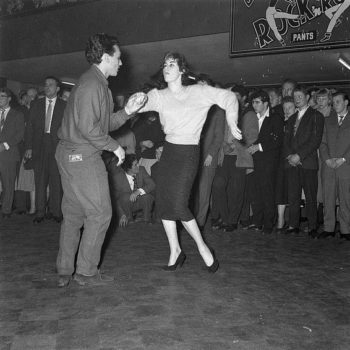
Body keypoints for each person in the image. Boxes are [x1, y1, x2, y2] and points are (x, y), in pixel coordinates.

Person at [55, 33, 147, 288]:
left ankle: (65, 269)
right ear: (106, 57)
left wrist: (128, 111)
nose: (121, 63)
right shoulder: (92, 85)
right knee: (101, 212)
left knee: (74, 214)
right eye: (118, 58)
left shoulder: (95, 83)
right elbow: (89, 128)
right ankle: (85, 272)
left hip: (71, 153)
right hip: (82, 156)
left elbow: (102, 124)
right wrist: (115, 147)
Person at [139, 52, 240, 272]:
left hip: (188, 153)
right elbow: (137, 105)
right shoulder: (159, 95)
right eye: (164, 63)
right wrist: (132, 104)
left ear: (182, 70)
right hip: (168, 152)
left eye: (172, 64)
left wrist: (232, 121)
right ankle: (175, 251)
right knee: (165, 203)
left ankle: (203, 248)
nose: (166, 67)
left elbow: (229, 98)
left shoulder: (198, 92)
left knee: (178, 204)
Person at [284, 86, 324, 237]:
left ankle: (312, 226)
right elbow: (286, 140)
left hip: (307, 162)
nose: (297, 99)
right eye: (295, 97)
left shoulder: (316, 115)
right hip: (291, 163)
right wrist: (290, 156)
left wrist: (299, 156)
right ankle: (293, 225)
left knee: (310, 196)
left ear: (307, 98)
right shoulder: (292, 118)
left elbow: (315, 140)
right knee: (293, 196)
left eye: (300, 96)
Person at [25, 76, 66, 223]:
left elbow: (68, 129)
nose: (47, 87)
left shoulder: (64, 106)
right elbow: (29, 127)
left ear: (58, 89)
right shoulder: (36, 104)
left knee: (56, 180)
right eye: (46, 85)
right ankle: (40, 212)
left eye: (51, 84)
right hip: (38, 147)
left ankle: (56, 212)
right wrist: (28, 147)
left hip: (57, 147)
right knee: (40, 181)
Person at [319, 92, 350, 240]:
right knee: (328, 198)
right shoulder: (327, 120)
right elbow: (322, 142)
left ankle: (346, 230)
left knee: (346, 199)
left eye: (338, 101)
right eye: (334, 102)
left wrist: (344, 159)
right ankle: (328, 228)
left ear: (346, 102)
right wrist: (327, 160)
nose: (335, 104)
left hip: (346, 166)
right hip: (329, 166)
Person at [109, 153, 155, 227]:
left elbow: (152, 184)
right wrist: (122, 214)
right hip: (127, 205)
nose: (138, 166)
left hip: (141, 201)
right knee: (124, 197)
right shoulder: (118, 177)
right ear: (128, 168)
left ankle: (147, 219)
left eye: (138, 163)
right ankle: (129, 218)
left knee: (148, 197)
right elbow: (115, 199)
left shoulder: (142, 169)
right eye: (135, 165)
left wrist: (138, 191)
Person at [0, 88, 25, 218]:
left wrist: (5, 145)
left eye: (3, 96)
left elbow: (20, 134)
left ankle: (6, 210)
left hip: (8, 154)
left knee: (8, 184)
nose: (0, 98)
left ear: (9, 98)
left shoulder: (17, 114)